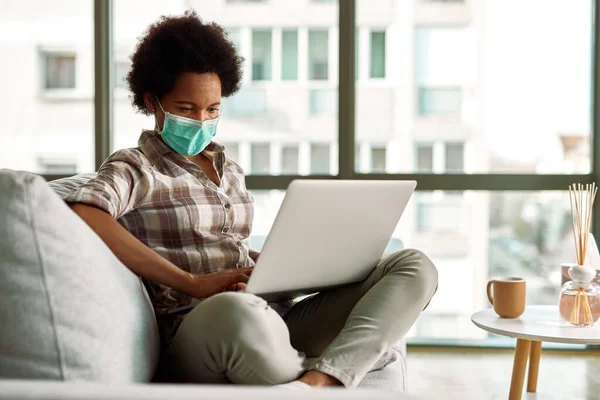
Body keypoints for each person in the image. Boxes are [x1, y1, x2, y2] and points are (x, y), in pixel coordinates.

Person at [63, 10, 438, 389]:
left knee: (413, 265)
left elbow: (234, 250)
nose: (201, 120)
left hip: (272, 314)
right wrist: (192, 282)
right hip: (201, 326)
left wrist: (286, 268)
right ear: (152, 102)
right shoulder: (135, 166)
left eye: (212, 109)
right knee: (233, 310)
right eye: (185, 109)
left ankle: (322, 377)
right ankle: (354, 358)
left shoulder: (230, 170)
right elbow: (84, 210)